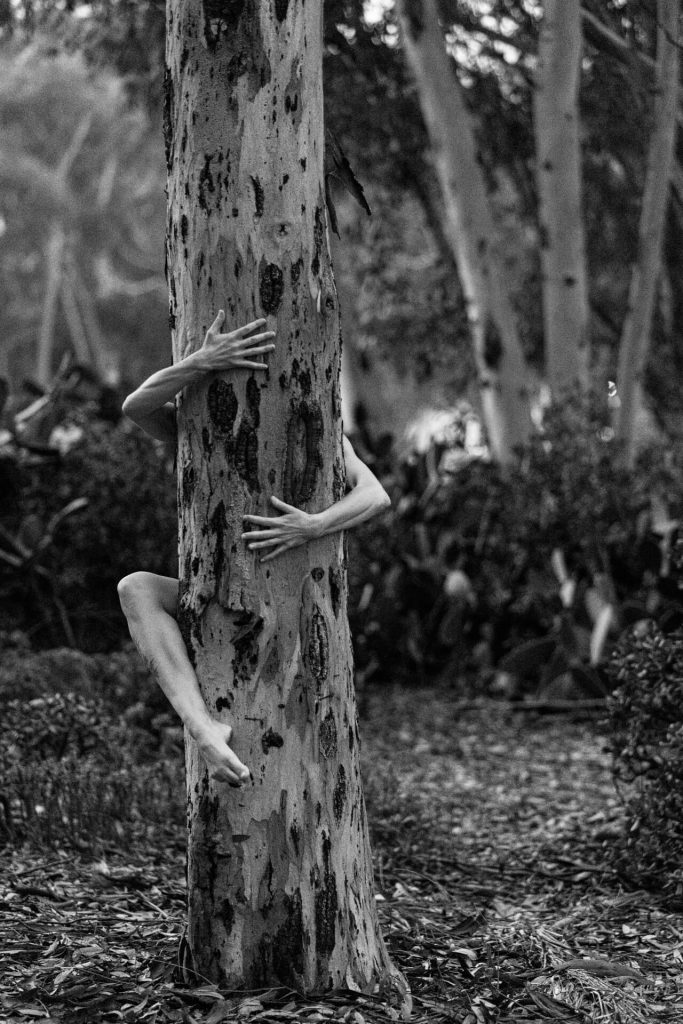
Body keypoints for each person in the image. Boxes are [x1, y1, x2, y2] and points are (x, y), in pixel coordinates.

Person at [117, 311, 391, 789]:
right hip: (218, 592)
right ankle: (203, 727)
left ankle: (213, 731)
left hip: (294, 601)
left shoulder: (319, 427)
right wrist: (202, 361)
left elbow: (375, 494)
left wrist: (312, 525)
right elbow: (136, 406)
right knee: (135, 588)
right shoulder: (197, 421)